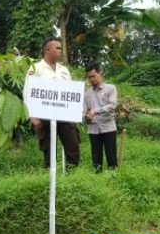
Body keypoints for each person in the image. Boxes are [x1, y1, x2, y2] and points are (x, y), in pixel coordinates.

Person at [26, 37, 79, 168]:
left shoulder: (64, 70)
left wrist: (74, 114)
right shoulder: (36, 68)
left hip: (65, 114)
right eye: (58, 48)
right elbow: (28, 92)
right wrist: (33, 116)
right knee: (48, 150)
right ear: (47, 50)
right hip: (44, 115)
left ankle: (72, 180)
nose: (61, 51)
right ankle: (49, 182)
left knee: (73, 146)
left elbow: (70, 93)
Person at [84, 62, 118, 172]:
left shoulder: (110, 88)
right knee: (96, 159)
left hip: (108, 127)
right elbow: (84, 113)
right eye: (89, 77)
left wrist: (96, 111)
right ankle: (98, 180)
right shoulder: (87, 94)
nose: (91, 79)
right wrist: (87, 118)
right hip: (93, 129)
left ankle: (113, 178)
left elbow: (112, 106)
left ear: (100, 74)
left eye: (93, 76)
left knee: (111, 157)